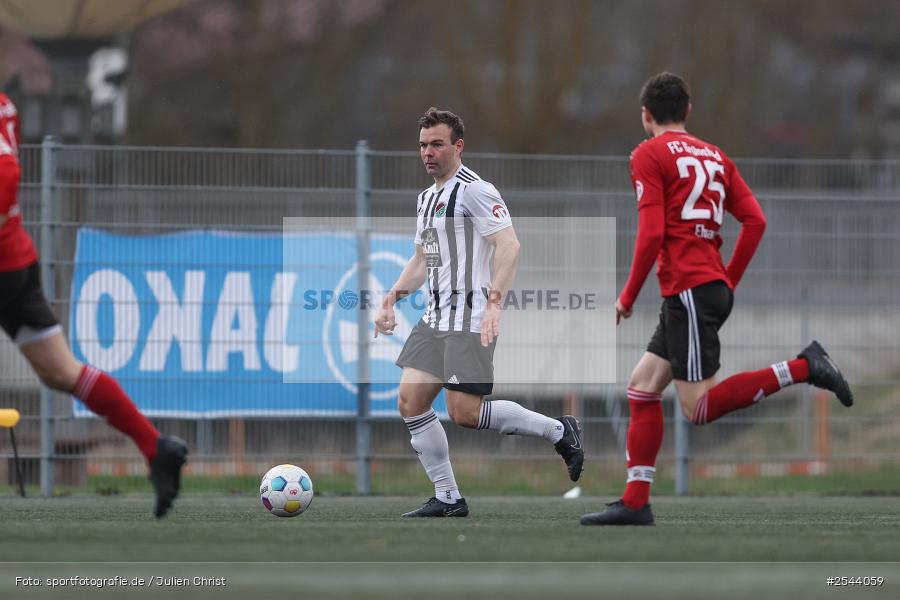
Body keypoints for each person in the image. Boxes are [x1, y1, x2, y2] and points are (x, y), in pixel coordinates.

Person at [580, 73, 853, 526]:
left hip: (688, 291)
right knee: (642, 387)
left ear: (646, 115)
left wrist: (627, 295)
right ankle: (634, 502)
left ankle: (804, 367)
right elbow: (756, 221)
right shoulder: (717, 156)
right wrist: (727, 280)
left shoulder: (647, 153)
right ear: (687, 112)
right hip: (701, 289)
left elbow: (652, 233)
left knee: (699, 408)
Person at [374, 107, 584, 517]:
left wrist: (494, 304)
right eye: (422, 145)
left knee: (464, 414)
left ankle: (559, 430)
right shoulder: (426, 199)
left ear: (458, 146)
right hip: (435, 318)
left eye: (437, 144)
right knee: (410, 402)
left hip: (469, 319)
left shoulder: (475, 190)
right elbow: (423, 259)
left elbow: (509, 245)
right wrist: (390, 298)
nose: (428, 153)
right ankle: (449, 497)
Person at [0, 92, 187, 518]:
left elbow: (5, 173)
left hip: (5, 264)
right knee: (60, 371)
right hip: (14, 259)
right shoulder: (6, 103)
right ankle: (153, 446)